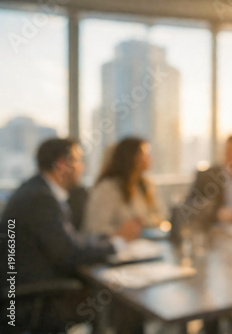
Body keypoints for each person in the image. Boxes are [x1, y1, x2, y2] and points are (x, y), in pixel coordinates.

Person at [0, 138, 141, 331]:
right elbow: (69, 254)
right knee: (116, 297)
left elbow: (68, 240)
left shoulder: (37, 190)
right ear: (61, 165)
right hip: (31, 300)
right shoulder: (40, 199)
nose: (82, 167)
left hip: (29, 287)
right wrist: (116, 244)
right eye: (77, 160)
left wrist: (106, 240)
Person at [84, 137, 164, 236]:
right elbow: (96, 229)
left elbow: (160, 216)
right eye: (145, 153)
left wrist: (143, 223)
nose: (150, 157)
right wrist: (122, 232)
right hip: (113, 246)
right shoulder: (107, 188)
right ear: (132, 157)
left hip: (144, 243)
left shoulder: (146, 185)